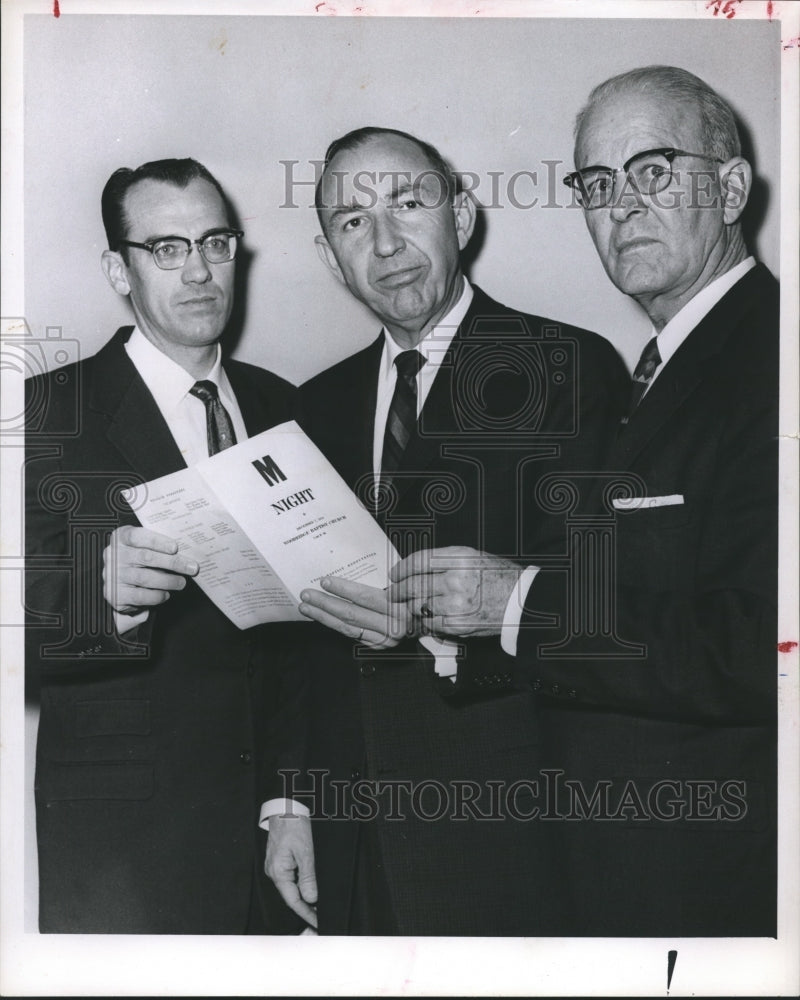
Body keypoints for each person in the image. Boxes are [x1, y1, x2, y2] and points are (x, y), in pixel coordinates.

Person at [388, 67, 779, 936]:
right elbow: (635, 605)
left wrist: (517, 601)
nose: (621, 205)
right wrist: (452, 635)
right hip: (622, 864)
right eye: (597, 184)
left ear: (733, 189)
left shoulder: (772, 357)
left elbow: (762, 647)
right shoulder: (656, 366)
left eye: (652, 169)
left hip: (713, 880)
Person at [262, 126, 629, 935]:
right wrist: (292, 797)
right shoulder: (314, 407)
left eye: (408, 201)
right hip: (354, 832)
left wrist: (447, 632)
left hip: (512, 824)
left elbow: (613, 611)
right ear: (330, 256)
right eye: (353, 222)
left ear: (461, 215)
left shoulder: (570, 366)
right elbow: (301, 639)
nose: (386, 241)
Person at [25, 158, 298, 933]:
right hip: (125, 844)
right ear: (120, 268)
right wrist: (99, 592)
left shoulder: (286, 407)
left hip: (271, 833)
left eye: (216, 242)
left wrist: (292, 798)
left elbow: (304, 643)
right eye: (168, 249)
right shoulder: (45, 411)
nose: (201, 271)